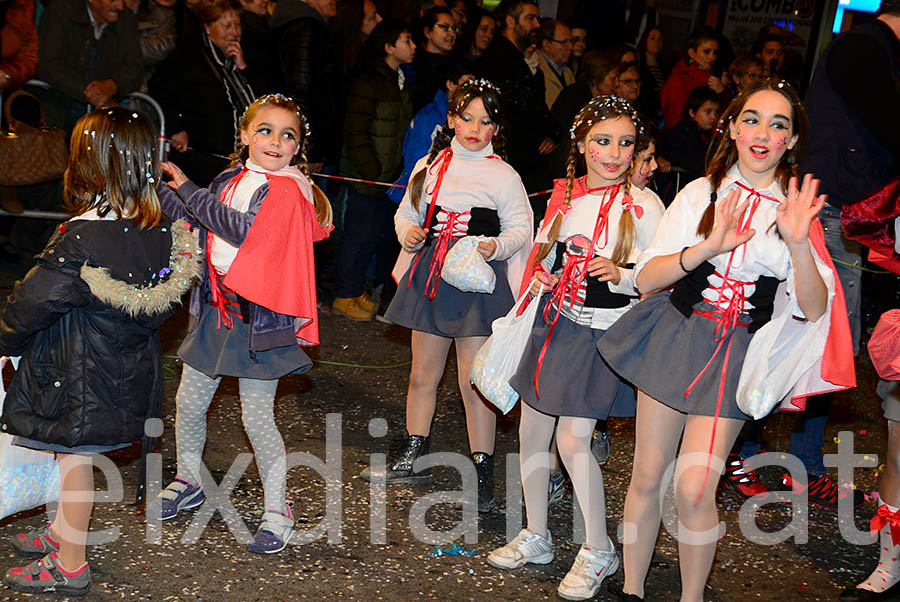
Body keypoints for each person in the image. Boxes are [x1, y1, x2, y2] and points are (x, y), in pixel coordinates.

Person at [598, 80, 854, 601]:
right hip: (675, 335)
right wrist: (708, 245)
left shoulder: (796, 208)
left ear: (790, 140)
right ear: (733, 128)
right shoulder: (700, 192)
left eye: (778, 124)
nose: (763, 132)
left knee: (693, 488)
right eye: (752, 119)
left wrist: (801, 245)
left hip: (736, 353)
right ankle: (631, 590)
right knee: (647, 476)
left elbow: (814, 308)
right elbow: (647, 279)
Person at [0, 107, 201, 596]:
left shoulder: (83, 235)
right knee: (70, 457)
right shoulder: (159, 231)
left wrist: (5, 341)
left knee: (72, 465)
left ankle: (70, 564)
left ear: (90, 163)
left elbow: (35, 300)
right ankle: (58, 532)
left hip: (76, 371)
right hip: (125, 369)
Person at [486, 96, 663, 601]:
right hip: (555, 323)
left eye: (625, 143)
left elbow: (663, 273)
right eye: (602, 141)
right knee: (532, 432)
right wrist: (544, 271)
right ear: (581, 144)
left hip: (602, 335)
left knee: (573, 441)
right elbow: (544, 252)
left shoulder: (645, 205)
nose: (613, 153)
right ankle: (537, 535)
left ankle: (598, 548)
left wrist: (626, 277)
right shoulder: (566, 195)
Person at [147, 93, 333, 555]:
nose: (275, 141)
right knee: (189, 402)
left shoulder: (288, 189)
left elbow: (240, 229)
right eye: (265, 130)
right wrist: (158, 192)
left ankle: (278, 509)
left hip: (257, 319)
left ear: (297, 147)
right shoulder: (234, 175)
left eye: (287, 134)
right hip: (215, 308)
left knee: (256, 416)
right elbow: (199, 222)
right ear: (245, 134)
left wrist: (188, 188)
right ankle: (190, 478)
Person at [361, 79, 533, 514]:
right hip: (433, 276)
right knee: (422, 372)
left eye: (486, 121)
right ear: (452, 119)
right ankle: (412, 451)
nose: (475, 128)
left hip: (476, 281)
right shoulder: (431, 164)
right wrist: (410, 232)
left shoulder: (504, 174)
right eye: (467, 118)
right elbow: (407, 209)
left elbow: (520, 227)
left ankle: (482, 469)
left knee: (472, 380)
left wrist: (497, 247)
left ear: (497, 128)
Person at [333, 20, 415, 320]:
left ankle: (355, 292)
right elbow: (356, 132)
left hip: (386, 177)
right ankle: (343, 295)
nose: (414, 46)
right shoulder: (369, 81)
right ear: (389, 47)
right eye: (407, 40)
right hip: (368, 176)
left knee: (370, 237)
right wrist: (372, 171)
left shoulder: (400, 79)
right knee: (356, 237)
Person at [150, 0, 256, 187]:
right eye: (226, 26)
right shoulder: (188, 57)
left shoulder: (244, 55)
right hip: (204, 160)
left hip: (242, 157)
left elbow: (261, 99)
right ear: (207, 27)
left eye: (237, 24)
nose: (234, 31)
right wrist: (177, 128)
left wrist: (243, 68)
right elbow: (160, 88)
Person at [477, 0, 558, 221]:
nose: (536, 26)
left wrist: (550, 134)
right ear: (511, 21)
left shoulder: (521, 61)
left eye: (537, 19)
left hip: (525, 162)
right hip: (512, 162)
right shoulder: (499, 60)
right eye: (529, 18)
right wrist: (542, 134)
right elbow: (520, 110)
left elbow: (536, 108)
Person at [36, 0, 143, 132]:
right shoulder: (61, 11)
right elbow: (47, 64)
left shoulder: (127, 19)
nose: (120, 6)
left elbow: (135, 68)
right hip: (57, 106)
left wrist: (112, 85)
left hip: (101, 116)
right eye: (112, 0)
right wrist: (89, 90)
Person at [388, 62, 473, 204]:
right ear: (451, 84)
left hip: (445, 194)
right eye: (466, 83)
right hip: (417, 194)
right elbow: (414, 162)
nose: (471, 90)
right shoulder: (430, 117)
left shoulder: (468, 119)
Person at [270, 0, 339, 171]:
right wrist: (310, 149)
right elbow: (300, 90)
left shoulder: (297, 24)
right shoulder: (305, 29)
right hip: (305, 142)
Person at [660, 27, 723, 131]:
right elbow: (675, 123)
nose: (712, 57)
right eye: (706, 52)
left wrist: (722, 93)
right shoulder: (678, 80)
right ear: (692, 53)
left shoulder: (713, 80)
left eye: (715, 53)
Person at [663, 86, 719, 186]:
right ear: (692, 112)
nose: (713, 117)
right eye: (708, 111)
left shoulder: (710, 135)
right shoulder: (681, 132)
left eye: (716, 112)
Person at [410, 7, 458, 112]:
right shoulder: (413, 62)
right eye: (445, 27)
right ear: (428, 32)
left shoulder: (458, 65)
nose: (452, 34)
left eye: (454, 29)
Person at [536, 19, 575, 110]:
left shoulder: (568, 72)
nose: (570, 47)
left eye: (571, 41)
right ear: (547, 44)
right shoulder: (535, 68)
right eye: (564, 42)